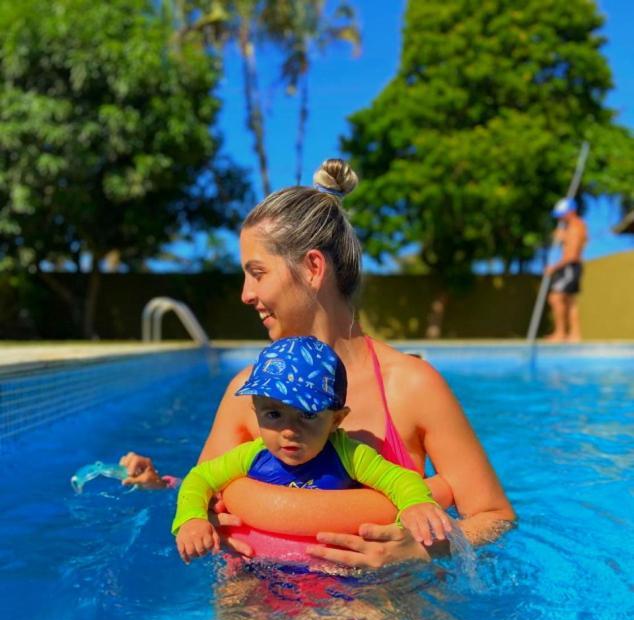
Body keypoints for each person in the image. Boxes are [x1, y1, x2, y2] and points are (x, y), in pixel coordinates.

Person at [121, 158, 515, 567]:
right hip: (259, 613)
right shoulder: (247, 390)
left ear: (312, 268)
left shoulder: (411, 386)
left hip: (379, 609)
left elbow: (494, 516)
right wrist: (163, 486)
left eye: (257, 273)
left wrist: (418, 550)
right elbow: (209, 484)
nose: (245, 294)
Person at [172, 335, 452, 562]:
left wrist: (415, 504)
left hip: (337, 575)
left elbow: (398, 477)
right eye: (273, 415)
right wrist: (192, 519)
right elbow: (200, 478)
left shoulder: (349, 454)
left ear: (336, 419)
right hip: (259, 569)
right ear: (255, 411)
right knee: (234, 609)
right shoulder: (251, 455)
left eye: (307, 415)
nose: (289, 430)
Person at [545, 197, 588, 342]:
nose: (560, 217)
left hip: (570, 266)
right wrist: (561, 238)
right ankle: (575, 335)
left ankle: (561, 333)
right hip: (569, 266)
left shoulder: (576, 226)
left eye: (562, 214)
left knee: (555, 298)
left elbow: (573, 255)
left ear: (571, 212)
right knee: (570, 301)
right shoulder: (569, 227)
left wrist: (553, 267)